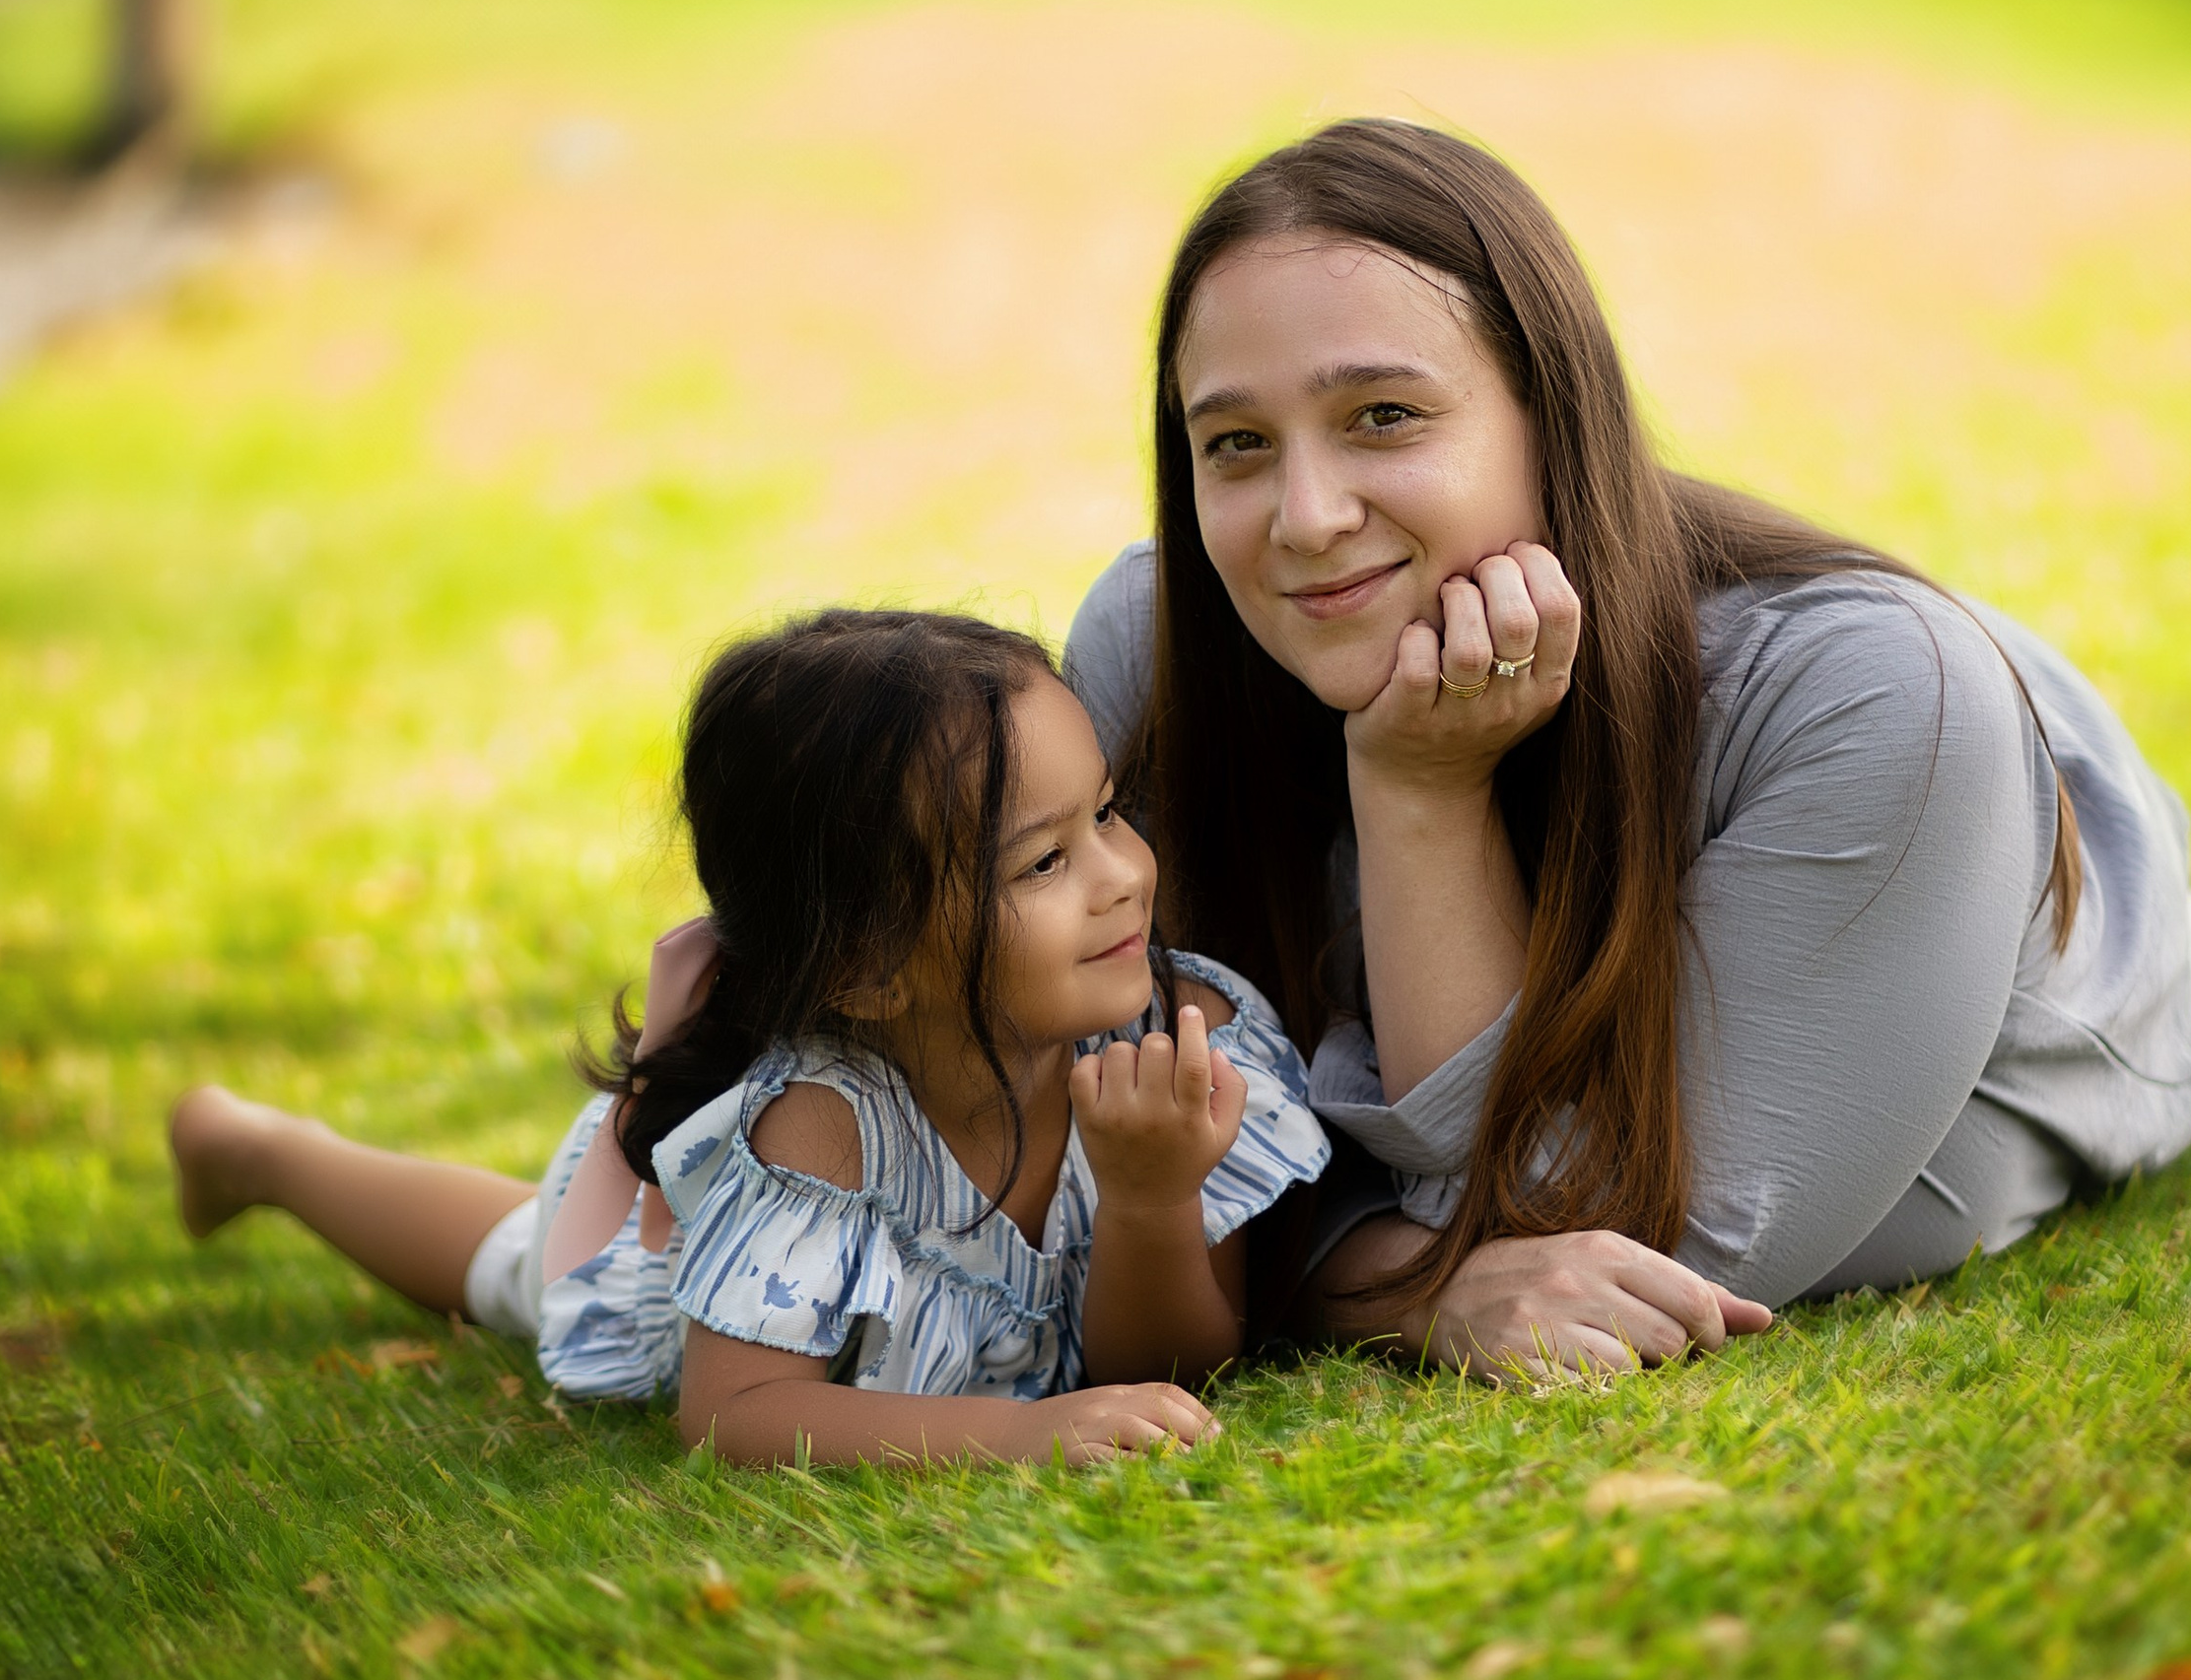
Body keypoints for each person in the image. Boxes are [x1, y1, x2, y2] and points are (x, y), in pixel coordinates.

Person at [1066, 115, 2191, 1379]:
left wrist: (1420, 797)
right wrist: (1397, 1287)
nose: (1306, 518)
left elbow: (1593, 1253)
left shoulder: (1884, 701)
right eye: (1235, 443)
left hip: (1991, 894)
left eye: (1385, 415)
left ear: (1550, 415)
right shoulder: (1156, 643)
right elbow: (1064, 1146)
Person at [171, 609, 1328, 1465]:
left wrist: (1147, 1197)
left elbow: (1169, 1372)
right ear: (870, 968)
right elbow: (737, 1412)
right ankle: (261, 1150)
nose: (1125, 875)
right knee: (520, 1259)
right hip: (693, 1275)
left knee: (511, 1242)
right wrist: (1017, 1436)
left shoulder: (1181, 1038)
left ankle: (260, 1147)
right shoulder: (818, 1131)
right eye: (1044, 859)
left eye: (1110, 813)